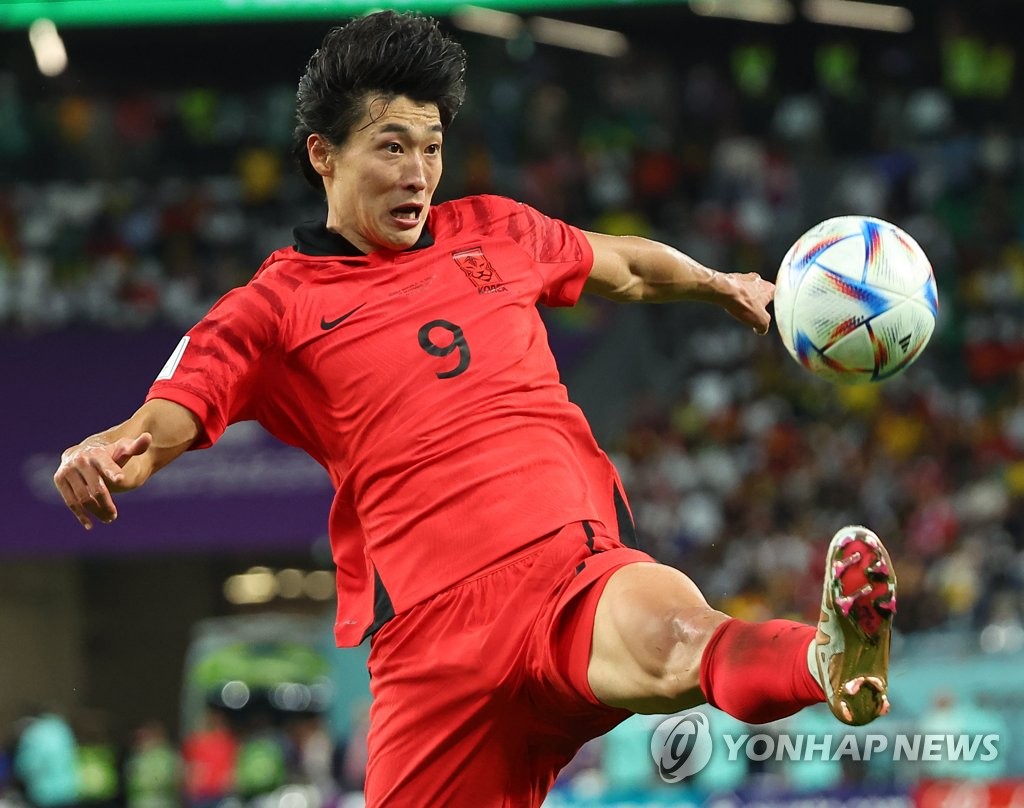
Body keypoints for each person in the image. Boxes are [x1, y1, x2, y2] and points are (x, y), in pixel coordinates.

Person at [53, 11, 897, 806]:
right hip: (431, 648)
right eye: (391, 147)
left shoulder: (493, 231)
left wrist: (722, 284)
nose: (418, 173)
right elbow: (174, 409)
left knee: (681, 640)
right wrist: (112, 448)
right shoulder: (271, 309)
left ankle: (826, 661)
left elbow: (627, 266)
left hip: (566, 569)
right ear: (323, 155)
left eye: (431, 147)